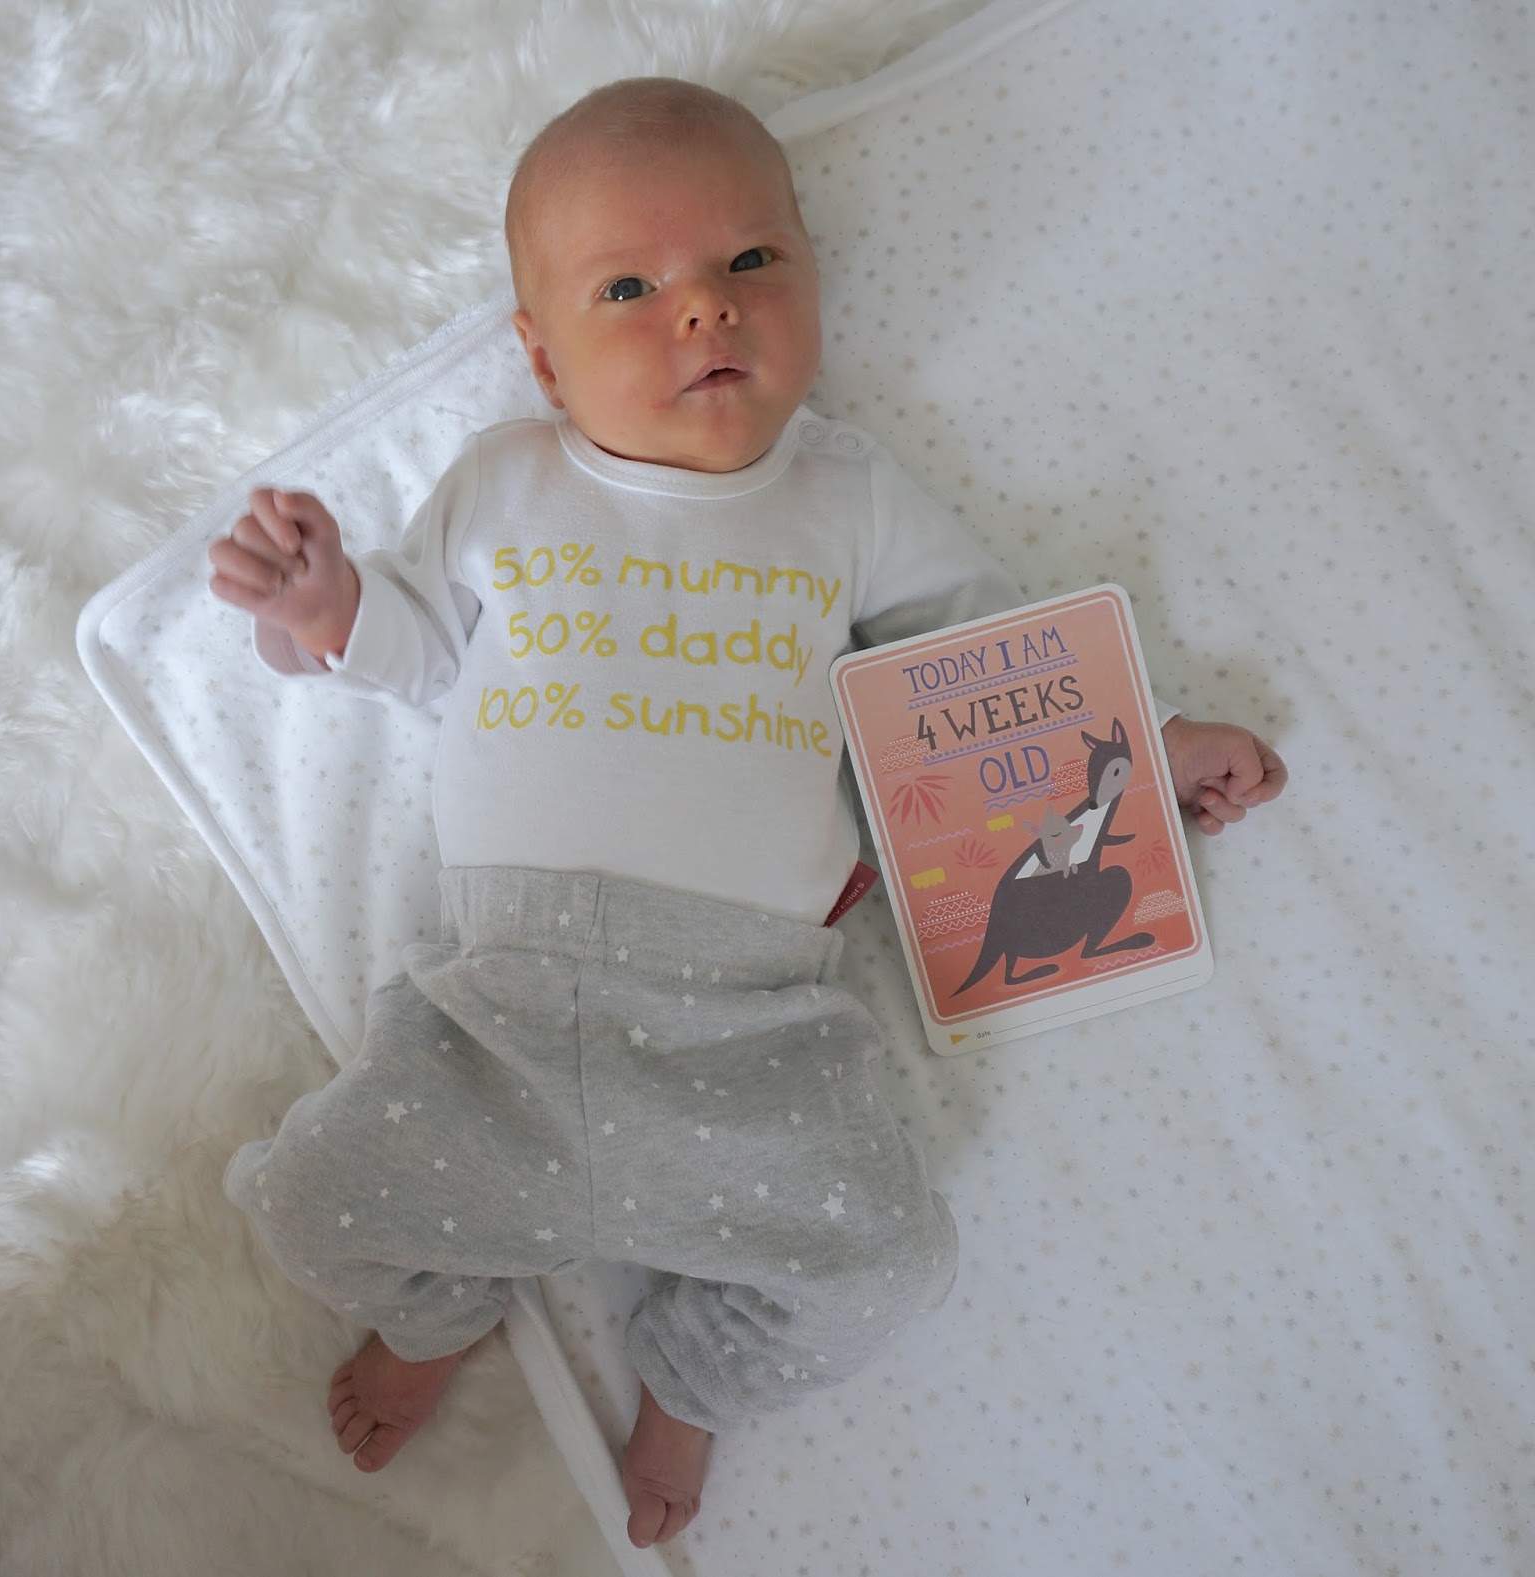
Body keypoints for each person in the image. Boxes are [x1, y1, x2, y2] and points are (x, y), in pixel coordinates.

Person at [208, 76, 1287, 1549]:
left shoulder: (849, 496)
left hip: (756, 1035)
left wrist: (1147, 749)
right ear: (542, 356)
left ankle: (695, 1375)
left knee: (891, 1262)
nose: (705, 308)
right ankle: (442, 1305)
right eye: (631, 288)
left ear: (813, 281)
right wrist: (315, 605)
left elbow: (982, 672)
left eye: (750, 261)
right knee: (306, 1200)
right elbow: (410, 653)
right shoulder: (507, 483)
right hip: (496, 1020)